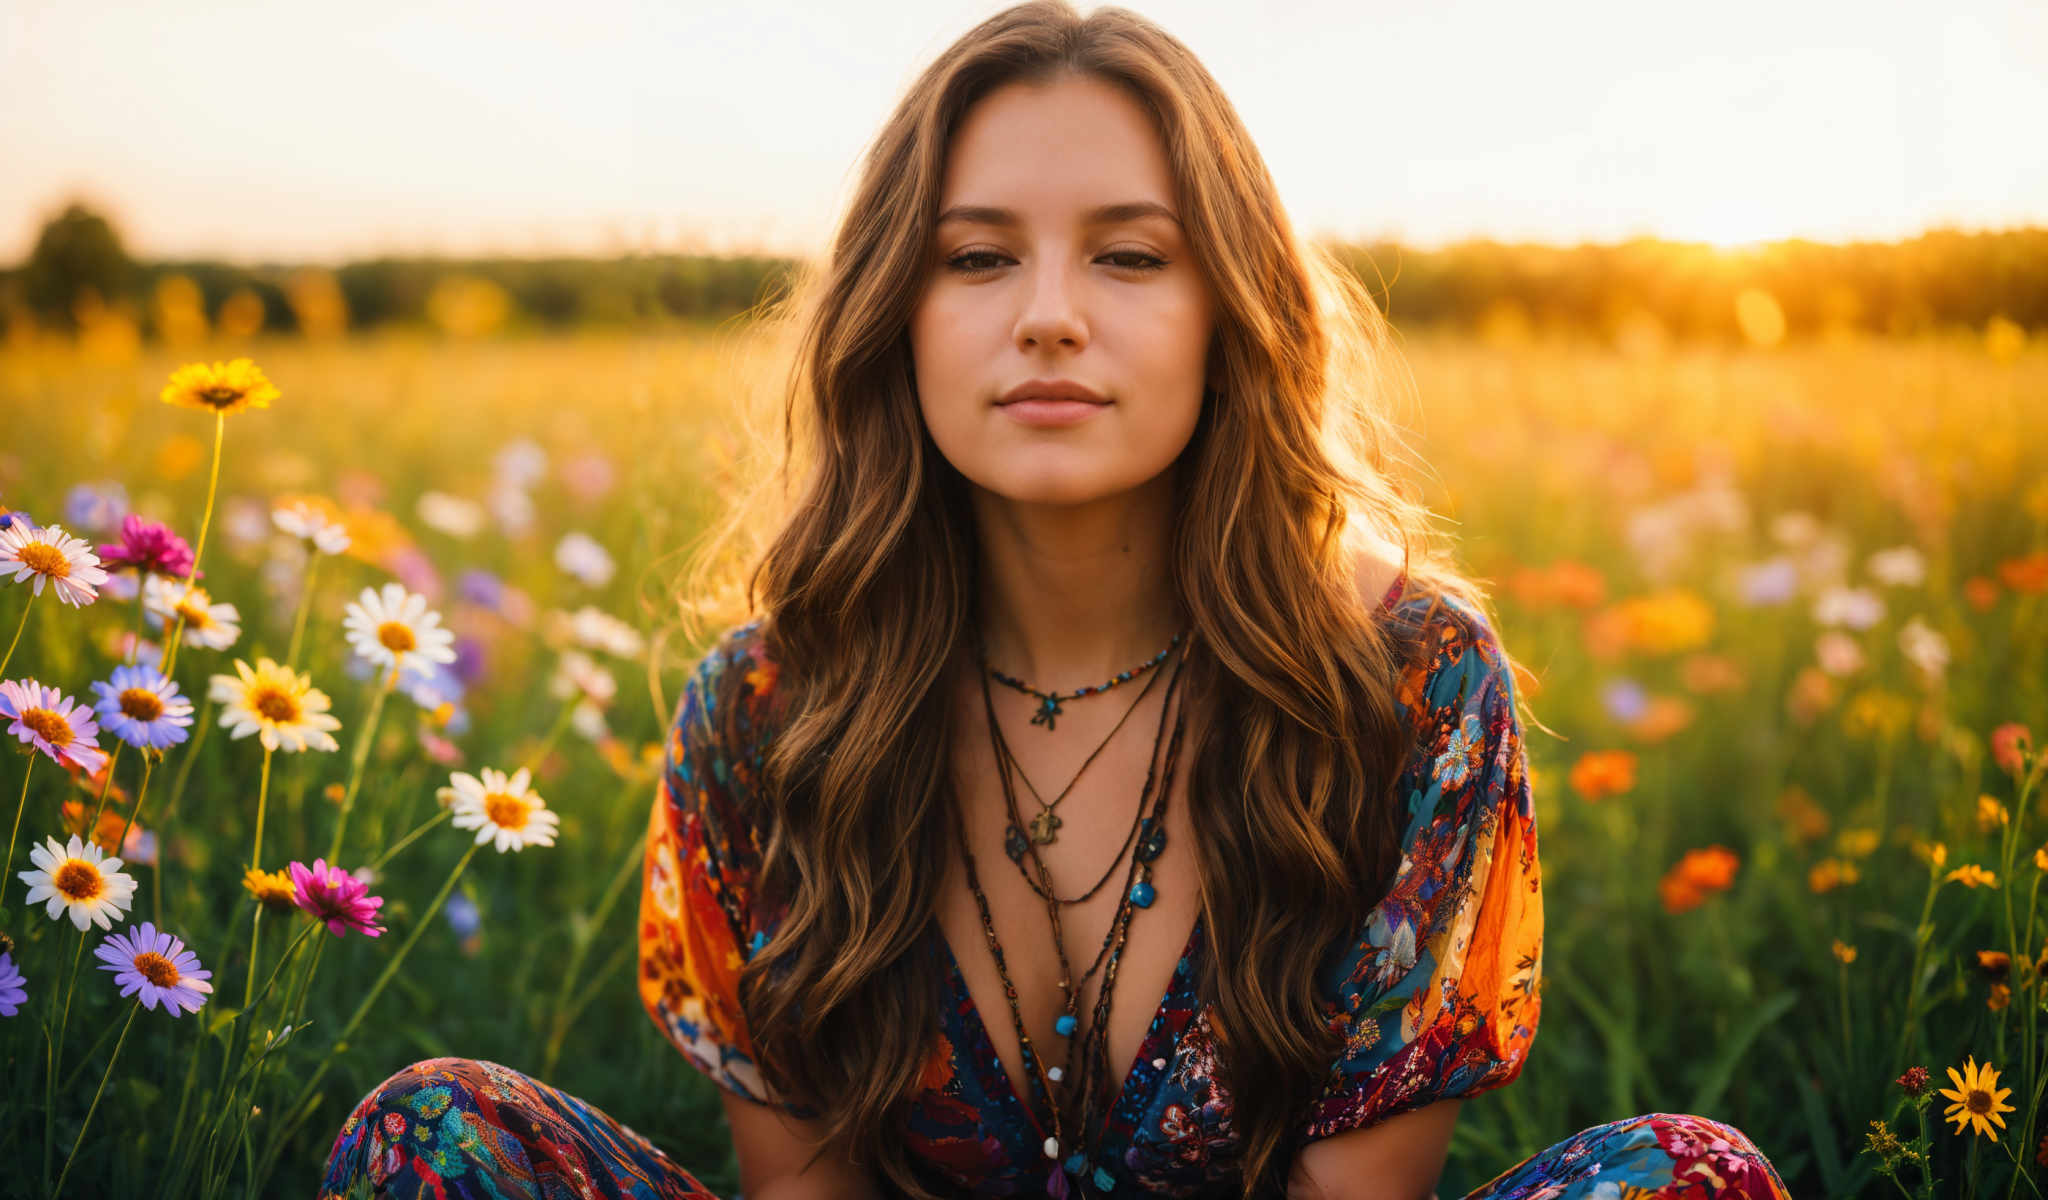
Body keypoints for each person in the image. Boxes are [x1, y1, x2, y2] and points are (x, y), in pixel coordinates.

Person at [322, 3, 1793, 1198]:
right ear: (897, 314)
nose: (1046, 312)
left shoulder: (1410, 687)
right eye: (976, 257)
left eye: (1130, 255)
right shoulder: (771, 709)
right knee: (435, 1137)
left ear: (1236, 312)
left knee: (1687, 1177)